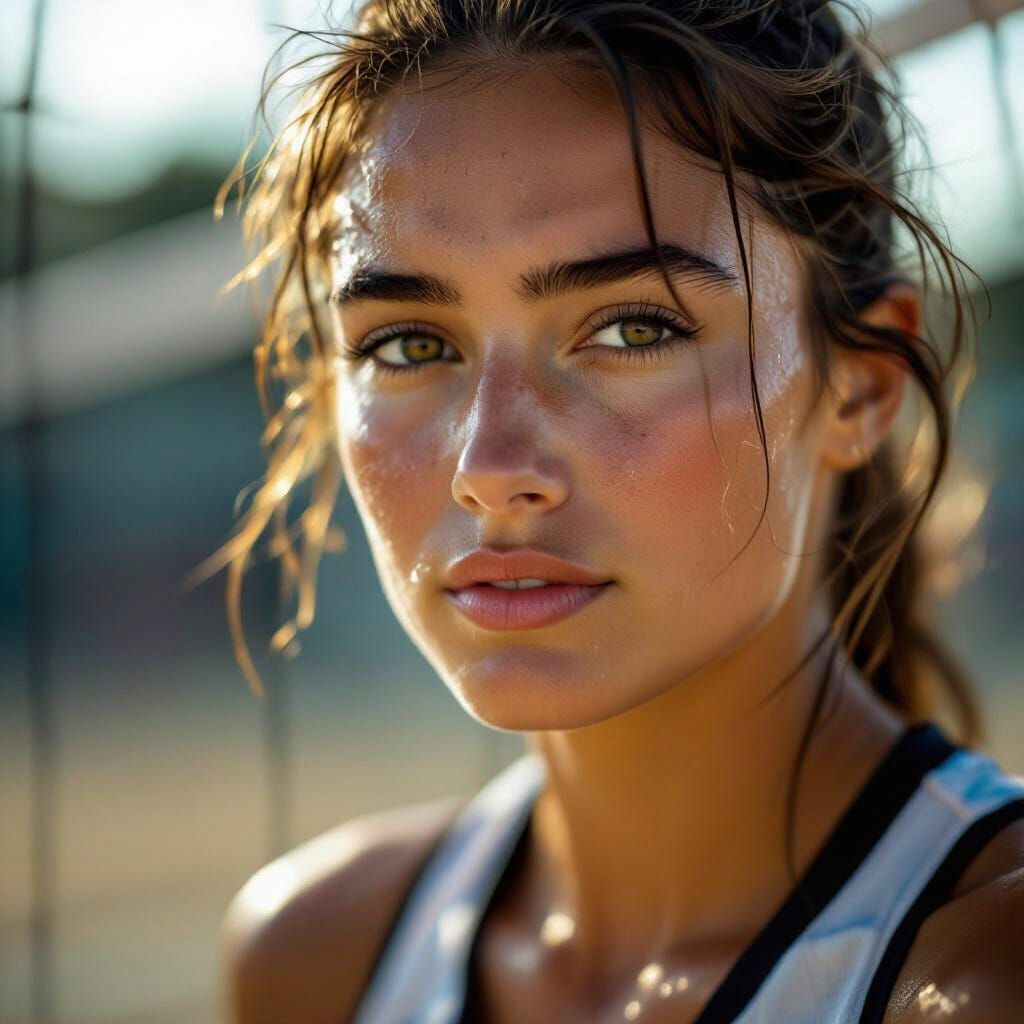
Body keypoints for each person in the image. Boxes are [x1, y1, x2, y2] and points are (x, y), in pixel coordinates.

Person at [196, 1, 1024, 1020]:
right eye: (410, 343)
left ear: (858, 385)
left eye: (632, 328)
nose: (489, 467)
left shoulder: (985, 969)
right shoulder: (317, 957)